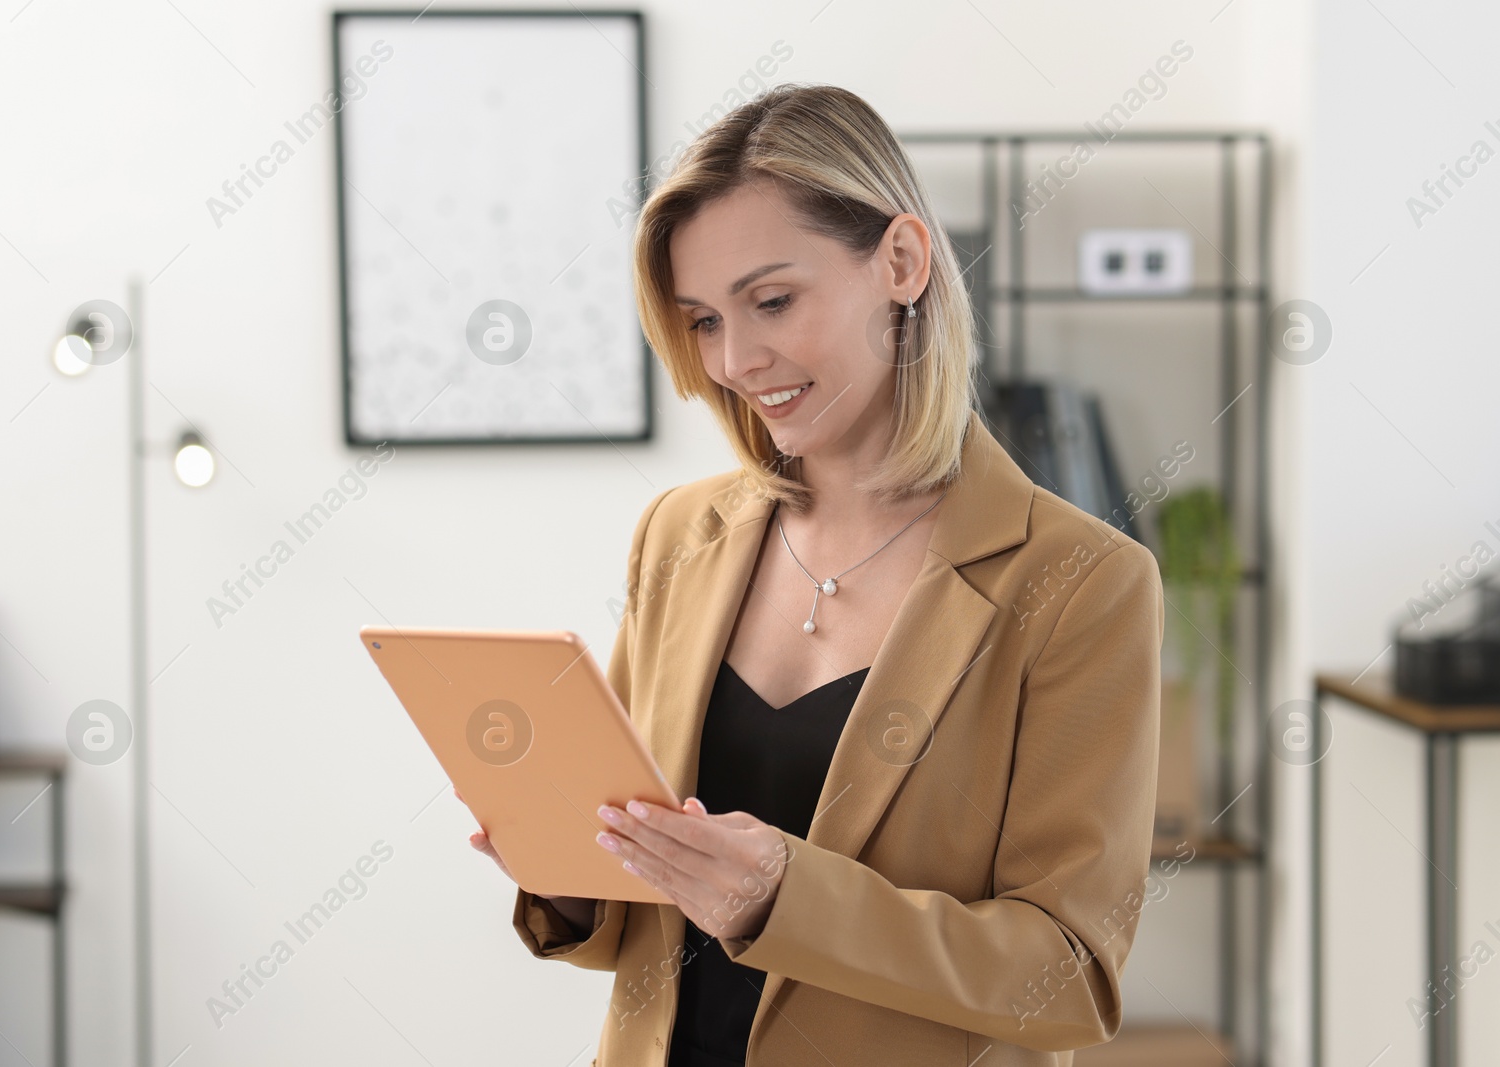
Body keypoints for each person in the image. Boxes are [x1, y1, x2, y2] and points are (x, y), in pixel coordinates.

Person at [462, 82, 1165, 1067]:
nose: (736, 359)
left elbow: (1066, 975)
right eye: (702, 319)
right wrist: (570, 869)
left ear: (902, 263)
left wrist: (784, 899)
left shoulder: (1079, 581)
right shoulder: (678, 534)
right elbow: (645, 923)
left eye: (772, 300)